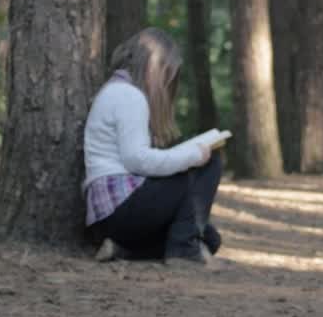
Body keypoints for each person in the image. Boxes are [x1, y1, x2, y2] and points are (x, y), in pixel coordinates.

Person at [82, 28, 223, 264]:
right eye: (165, 75)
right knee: (211, 163)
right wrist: (192, 156)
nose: (166, 84)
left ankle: (124, 250)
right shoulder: (129, 96)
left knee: (211, 238)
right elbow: (138, 161)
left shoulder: (116, 90)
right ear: (151, 67)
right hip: (121, 209)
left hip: (109, 218)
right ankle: (183, 251)